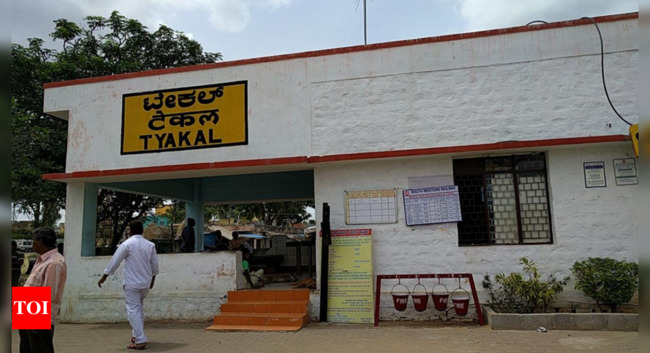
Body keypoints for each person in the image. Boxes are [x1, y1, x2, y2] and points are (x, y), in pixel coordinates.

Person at [98, 220, 159, 351]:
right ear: (142, 230)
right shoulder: (150, 245)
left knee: (133, 310)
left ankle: (140, 340)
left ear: (130, 231)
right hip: (146, 283)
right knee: (139, 309)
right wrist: (153, 279)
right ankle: (136, 335)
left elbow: (115, 261)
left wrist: (104, 276)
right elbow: (154, 265)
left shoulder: (127, 244)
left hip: (132, 284)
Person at [19, 227, 67, 353]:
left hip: (38, 312)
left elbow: (49, 294)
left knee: (40, 348)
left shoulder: (54, 263)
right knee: (26, 348)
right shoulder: (41, 260)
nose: (32, 244)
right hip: (27, 309)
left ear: (40, 242)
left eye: (33, 240)